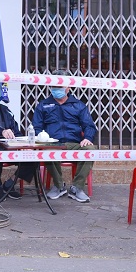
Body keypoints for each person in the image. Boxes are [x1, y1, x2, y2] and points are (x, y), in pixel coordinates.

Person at [31, 73, 97, 203]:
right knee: (48, 151)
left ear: (68, 87)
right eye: (54, 86)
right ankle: (59, 185)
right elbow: (36, 127)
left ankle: (77, 188)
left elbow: (89, 126)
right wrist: (43, 138)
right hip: (53, 143)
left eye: (60, 86)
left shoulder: (78, 105)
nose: (56, 89)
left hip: (74, 143)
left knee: (90, 149)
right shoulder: (43, 105)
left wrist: (87, 138)